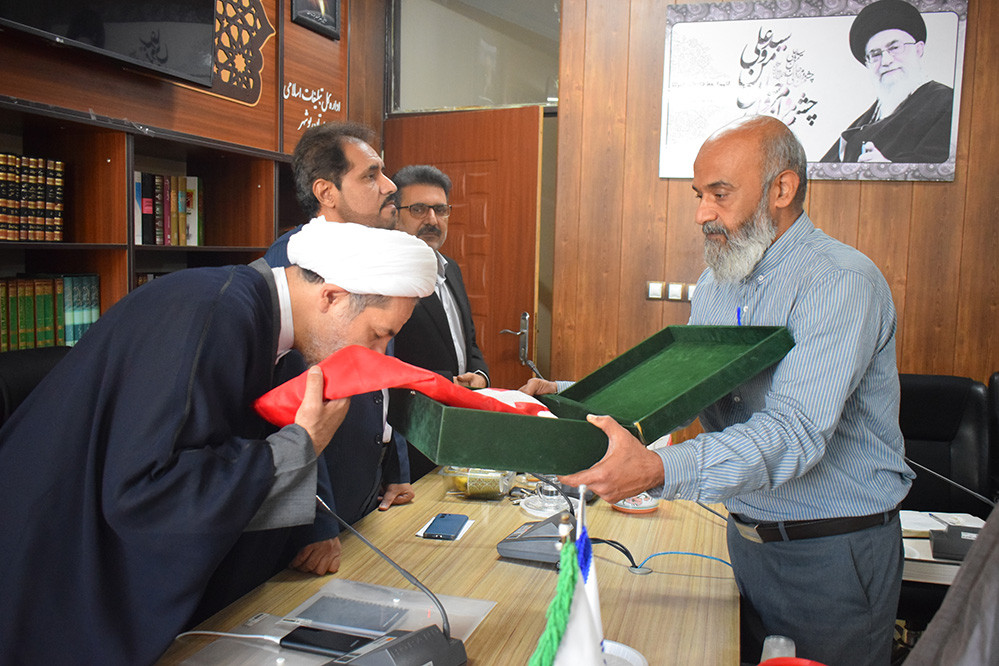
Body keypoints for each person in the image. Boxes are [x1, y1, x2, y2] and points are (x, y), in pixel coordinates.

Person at [524, 115, 912, 665]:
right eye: (699, 195)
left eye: (720, 194)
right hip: (747, 543)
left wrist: (658, 470)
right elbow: (681, 392)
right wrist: (565, 399)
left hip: (830, 554)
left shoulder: (839, 282)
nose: (702, 213)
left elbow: (794, 432)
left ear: (782, 188)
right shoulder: (716, 284)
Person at [0, 221, 437, 665]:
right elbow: (150, 490)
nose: (376, 355)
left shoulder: (267, 323)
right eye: (378, 335)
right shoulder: (212, 311)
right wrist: (303, 443)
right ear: (332, 297)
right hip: (59, 563)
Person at [265, 121, 415, 577]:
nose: (390, 186)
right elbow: (291, 405)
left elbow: (382, 369)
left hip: (367, 483)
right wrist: (316, 522)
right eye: (370, 175)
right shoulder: (295, 265)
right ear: (326, 192)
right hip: (319, 506)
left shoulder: (375, 257)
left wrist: (396, 464)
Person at [390, 165, 490, 480]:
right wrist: (448, 383)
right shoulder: (387, 279)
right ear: (395, 215)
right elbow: (386, 366)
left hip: (459, 430)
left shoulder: (451, 269)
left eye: (440, 209)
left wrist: (480, 375)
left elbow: (468, 342)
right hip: (412, 439)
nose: (432, 220)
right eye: (419, 209)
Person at [820, 0, 954, 163]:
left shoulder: (946, 101)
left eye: (895, 48)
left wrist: (887, 168)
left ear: (919, 49)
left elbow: (943, 166)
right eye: (875, 54)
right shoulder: (870, 116)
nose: (886, 61)